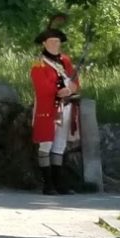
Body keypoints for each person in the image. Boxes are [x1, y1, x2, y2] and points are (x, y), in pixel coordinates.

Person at [30, 18, 81, 195]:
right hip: (48, 107)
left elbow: (75, 82)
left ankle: (59, 183)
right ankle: (47, 184)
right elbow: (41, 86)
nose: (55, 44)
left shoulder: (65, 61)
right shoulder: (39, 64)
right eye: (52, 41)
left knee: (59, 145)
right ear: (44, 43)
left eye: (58, 41)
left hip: (65, 107)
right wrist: (59, 92)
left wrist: (70, 89)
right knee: (46, 144)